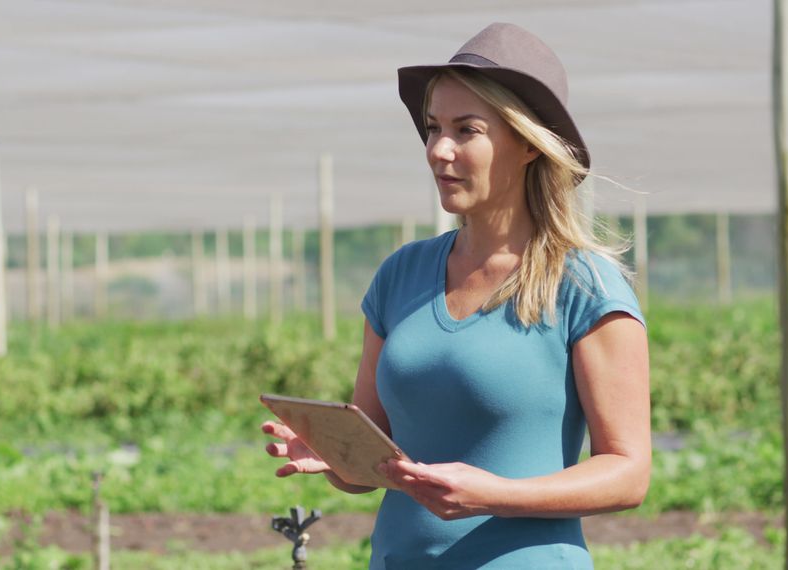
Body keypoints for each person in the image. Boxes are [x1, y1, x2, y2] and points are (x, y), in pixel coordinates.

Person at [262, 22, 650, 568]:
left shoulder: (584, 286)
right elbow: (378, 461)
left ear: (527, 143)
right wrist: (335, 456)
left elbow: (629, 473)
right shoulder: (401, 275)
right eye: (432, 128)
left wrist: (496, 495)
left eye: (467, 130)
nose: (439, 150)